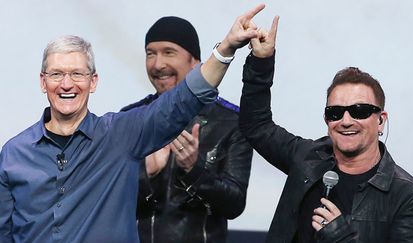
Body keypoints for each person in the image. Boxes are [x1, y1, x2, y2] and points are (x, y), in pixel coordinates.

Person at [0, 4, 267, 242]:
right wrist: (146, 171)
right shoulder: (13, 153)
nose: (67, 84)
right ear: (42, 81)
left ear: (93, 82)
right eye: (57, 74)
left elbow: (186, 98)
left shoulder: (122, 133)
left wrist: (226, 48)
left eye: (77, 74)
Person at [239, 17, 413, 242]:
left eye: (359, 110)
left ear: (380, 121)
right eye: (335, 112)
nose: (346, 120)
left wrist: (341, 237)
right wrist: (261, 62)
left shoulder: (409, 197)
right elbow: (257, 126)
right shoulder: (308, 158)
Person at [121, 16, 253, 243]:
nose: (157, 64)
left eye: (168, 52)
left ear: (195, 62)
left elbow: (234, 204)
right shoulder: (129, 118)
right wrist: (145, 172)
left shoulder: (231, 121)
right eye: (150, 53)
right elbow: (109, 199)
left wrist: (194, 169)